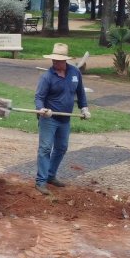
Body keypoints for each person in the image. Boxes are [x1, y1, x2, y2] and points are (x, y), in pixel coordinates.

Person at [34, 43, 90, 195]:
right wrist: (41, 109)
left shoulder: (75, 73)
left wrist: (84, 108)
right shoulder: (47, 77)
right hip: (49, 118)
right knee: (45, 148)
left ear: (65, 60)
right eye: (53, 60)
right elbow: (39, 97)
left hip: (65, 119)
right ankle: (41, 181)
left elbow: (80, 92)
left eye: (58, 60)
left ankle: (51, 175)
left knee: (61, 148)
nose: (55, 62)